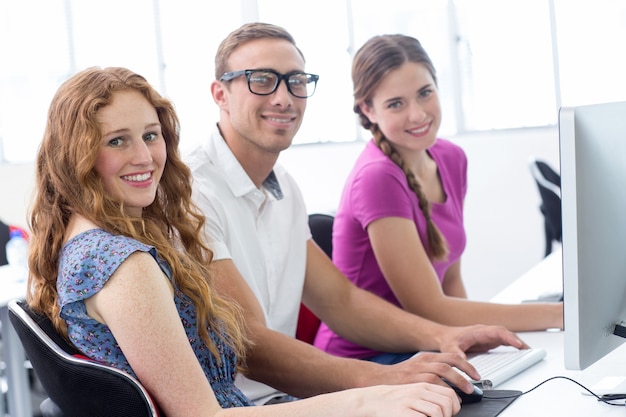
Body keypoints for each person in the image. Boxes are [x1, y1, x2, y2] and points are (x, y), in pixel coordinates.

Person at [25, 65, 465, 417]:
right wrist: (368, 401)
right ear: (78, 153)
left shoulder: (85, 239)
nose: (144, 157)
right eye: (116, 141)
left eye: (150, 135)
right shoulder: (122, 264)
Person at [185, 21, 528, 406]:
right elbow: (250, 346)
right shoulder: (193, 193)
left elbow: (339, 302)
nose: (284, 97)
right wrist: (388, 379)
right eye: (261, 80)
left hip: (286, 397)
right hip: (239, 405)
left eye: (295, 81)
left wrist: (441, 336)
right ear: (220, 94)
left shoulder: (282, 184)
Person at [313, 34, 563, 361]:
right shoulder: (377, 178)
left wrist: (479, 347)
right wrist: (561, 314)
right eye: (396, 103)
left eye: (425, 93)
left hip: (426, 344)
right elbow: (431, 307)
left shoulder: (451, 158)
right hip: (367, 359)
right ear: (367, 109)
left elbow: (452, 283)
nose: (417, 115)